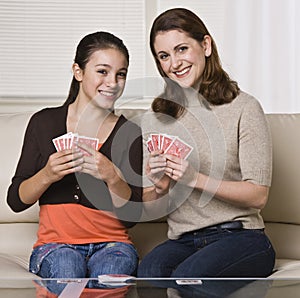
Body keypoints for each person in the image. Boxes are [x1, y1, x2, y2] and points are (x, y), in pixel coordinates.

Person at [138, 8, 275, 278]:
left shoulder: (244, 108)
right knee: (148, 275)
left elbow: (258, 195)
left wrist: (194, 178)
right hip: (184, 240)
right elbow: (150, 207)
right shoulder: (155, 120)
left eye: (182, 49)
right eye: (164, 56)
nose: (174, 63)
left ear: (206, 45)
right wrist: (159, 187)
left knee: (189, 280)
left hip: (240, 237)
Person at [7, 31, 142, 287]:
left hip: (114, 246)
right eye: (102, 71)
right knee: (68, 269)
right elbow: (15, 201)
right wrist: (47, 174)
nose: (112, 82)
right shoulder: (43, 123)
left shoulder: (130, 133)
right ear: (78, 72)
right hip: (56, 246)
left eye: (121, 74)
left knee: (110, 275)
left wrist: (111, 176)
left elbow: (131, 217)